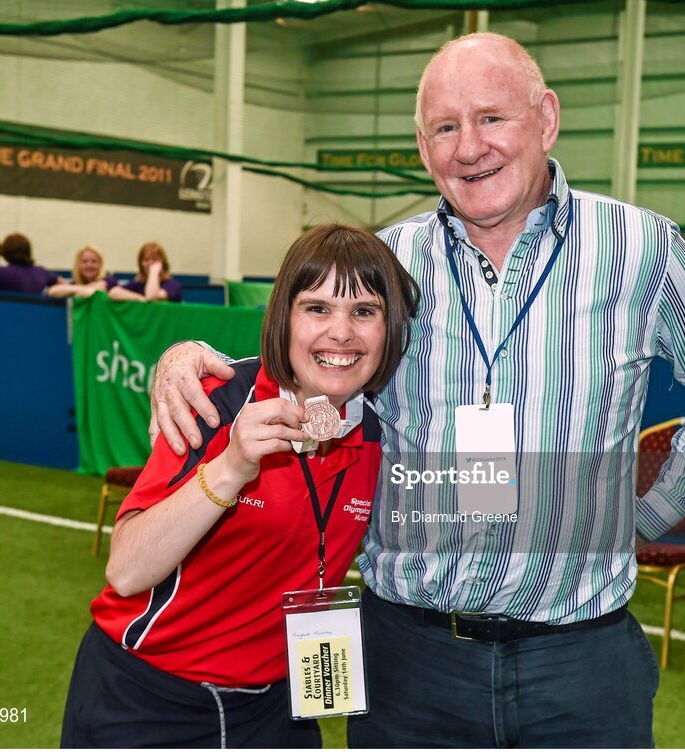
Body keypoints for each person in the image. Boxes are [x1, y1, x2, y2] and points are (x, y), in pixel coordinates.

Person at [151, 33, 685, 748]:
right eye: (446, 127)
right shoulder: (391, 260)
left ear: (547, 118)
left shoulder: (640, 248)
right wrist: (191, 355)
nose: (469, 147)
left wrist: (653, 511)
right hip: (408, 659)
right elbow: (313, 362)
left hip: (581, 663)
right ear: (423, 146)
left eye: (492, 118)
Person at [60, 224, 420, 748]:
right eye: (317, 308)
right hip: (147, 699)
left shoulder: (377, 430)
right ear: (283, 317)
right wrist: (230, 466)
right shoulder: (216, 402)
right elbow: (127, 569)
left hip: (277, 710)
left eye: (364, 311)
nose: (341, 332)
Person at [108, 241, 183, 302]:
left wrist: (154, 272)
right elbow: (113, 292)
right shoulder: (138, 284)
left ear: (163, 262)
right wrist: (139, 298)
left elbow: (151, 296)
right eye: (146, 260)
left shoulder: (172, 284)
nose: (150, 263)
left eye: (155, 259)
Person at [47, 246, 119, 299]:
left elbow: (98, 288)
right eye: (84, 262)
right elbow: (52, 291)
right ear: (78, 265)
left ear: (101, 264)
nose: (89, 265)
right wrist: (82, 288)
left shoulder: (110, 280)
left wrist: (72, 290)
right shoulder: (75, 283)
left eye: (94, 261)